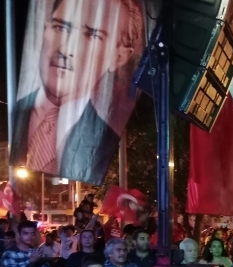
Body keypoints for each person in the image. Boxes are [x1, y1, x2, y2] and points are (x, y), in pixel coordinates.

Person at [10, 0, 143, 183]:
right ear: (45, 29)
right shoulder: (11, 117)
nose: (65, 49)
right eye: (60, 28)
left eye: (93, 35)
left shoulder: (106, 142)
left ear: (119, 57)